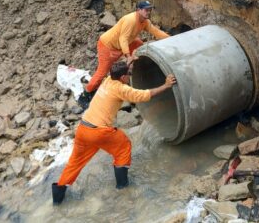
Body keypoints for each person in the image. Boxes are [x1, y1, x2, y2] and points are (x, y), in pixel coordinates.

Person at [52, 62, 177, 204]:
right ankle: (122, 187)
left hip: (83, 128)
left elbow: (120, 71)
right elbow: (144, 95)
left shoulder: (108, 80)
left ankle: (57, 198)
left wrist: (130, 61)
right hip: (99, 131)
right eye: (129, 74)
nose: (130, 76)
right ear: (123, 77)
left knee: (74, 163)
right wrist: (166, 85)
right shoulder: (121, 89)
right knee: (123, 147)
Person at [80, 0, 170, 108]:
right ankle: (85, 95)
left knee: (139, 45)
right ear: (138, 10)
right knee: (101, 73)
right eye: (146, 10)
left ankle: (138, 71)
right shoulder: (130, 20)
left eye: (150, 9)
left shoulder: (145, 22)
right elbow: (123, 39)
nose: (148, 12)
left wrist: (171, 39)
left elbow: (156, 32)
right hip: (108, 46)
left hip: (123, 44)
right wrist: (128, 56)